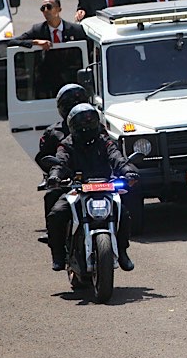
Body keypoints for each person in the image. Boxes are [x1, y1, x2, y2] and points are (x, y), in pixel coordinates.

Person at [46, 104, 139, 272]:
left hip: (105, 187)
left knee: (123, 214)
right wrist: (55, 176)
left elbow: (117, 157)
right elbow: (60, 162)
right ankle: (58, 254)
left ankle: (122, 251)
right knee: (56, 214)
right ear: (73, 126)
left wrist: (128, 172)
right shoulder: (67, 144)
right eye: (81, 124)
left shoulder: (104, 141)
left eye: (90, 123)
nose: (86, 127)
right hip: (77, 189)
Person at [36, 84, 91, 233]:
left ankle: (122, 251)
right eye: (70, 105)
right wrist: (55, 176)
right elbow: (44, 158)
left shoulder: (96, 129)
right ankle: (55, 242)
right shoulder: (54, 133)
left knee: (122, 205)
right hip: (67, 182)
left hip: (95, 180)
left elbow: (112, 153)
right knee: (53, 199)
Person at [10, 0, 89, 99]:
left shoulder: (75, 30)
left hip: (71, 79)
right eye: (43, 8)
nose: (46, 11)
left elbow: (88, 49)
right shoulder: (38, 30)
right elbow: (12, 42)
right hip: (47, 81)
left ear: (59, 9)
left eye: (49, 7)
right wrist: (36, 42)